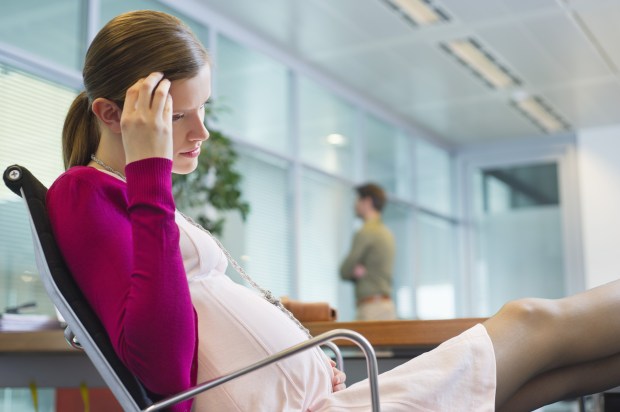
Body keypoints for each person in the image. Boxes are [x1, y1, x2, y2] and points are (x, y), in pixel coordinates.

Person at [45, 9, 620, 412]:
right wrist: (152, 174)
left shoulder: (126, 198)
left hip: (327, 400)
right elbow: (164, 370)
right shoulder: (83, 193)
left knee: (548, 376)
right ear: (112, 113)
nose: (202, 131)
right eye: (179, 116)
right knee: (530, 323)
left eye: (205, 109)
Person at [340, 183, 396, 321]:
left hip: (371, 310)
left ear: (368, 202)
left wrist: (355, 272)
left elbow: (344, 271)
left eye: (358, 200)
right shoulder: (387, 233)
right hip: (387, 306)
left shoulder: (365, 232)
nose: (355, 205)